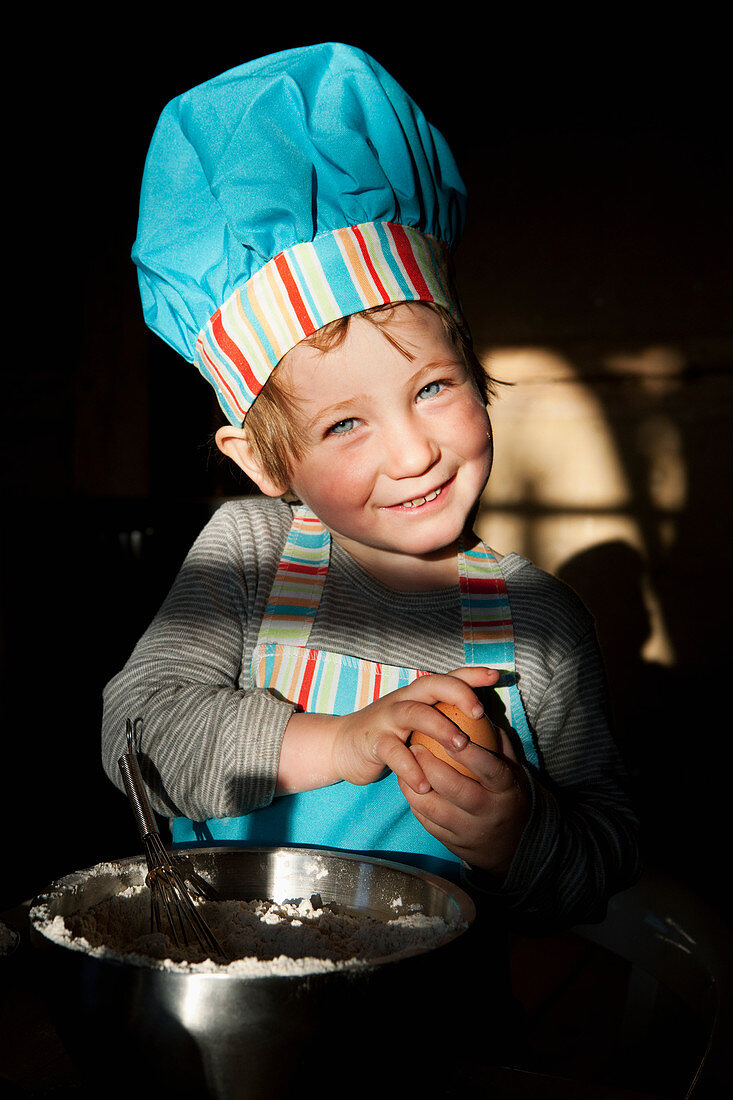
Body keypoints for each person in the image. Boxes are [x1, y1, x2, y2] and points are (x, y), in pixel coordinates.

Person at [102, 42, 639, 933]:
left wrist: (521, 833)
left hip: (446, 1026)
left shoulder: (541, 623)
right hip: (232, 979)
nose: (413, 454)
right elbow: (139, 734)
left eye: (432, 389)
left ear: (473, 366)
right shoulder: (247, 555)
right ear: (264, 463)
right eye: (344, 425)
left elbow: (609, 847)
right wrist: (345, 741)